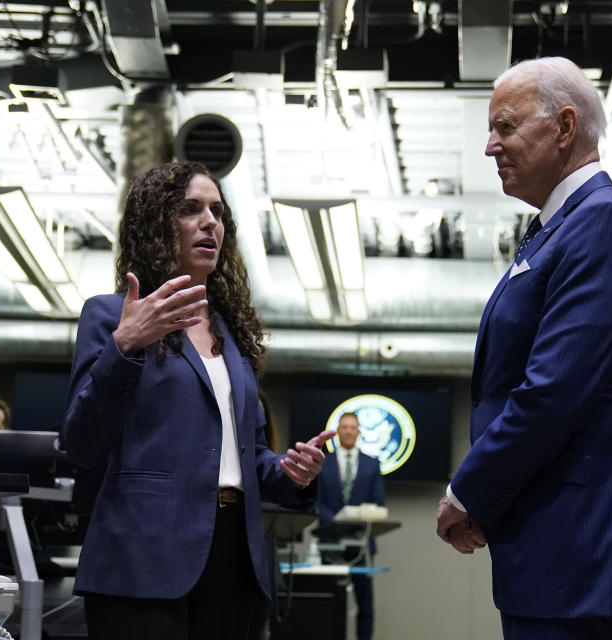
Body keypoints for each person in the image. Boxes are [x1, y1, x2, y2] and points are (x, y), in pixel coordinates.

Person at [435, 57, 612, 639]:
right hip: (548, 541)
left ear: (565, 127)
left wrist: (470, 491)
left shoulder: (602, 224)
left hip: (577, 544)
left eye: (505, 127)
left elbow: (552, 392)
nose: (490, 146)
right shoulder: (555, 229)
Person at [61, 161, 335, 640]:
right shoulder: (109, 316)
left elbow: (243, 454)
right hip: (142, 559)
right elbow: (81, 442)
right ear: (154, 226)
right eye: (191, 210)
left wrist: (292, 473)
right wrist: (126, 345)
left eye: (217, 211)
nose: (210, 222)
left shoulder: (231, 333)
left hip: (234, 558)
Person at [316, 411, 386, 640]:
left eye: (352, 427)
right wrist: (337, 521)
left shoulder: (372, 465)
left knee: (365, 605)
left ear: (358, 431)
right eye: (343, 427)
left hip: (361, 543)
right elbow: (318, 501)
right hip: (329, 541)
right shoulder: (323, 464)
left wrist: (354, 518)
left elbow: (377, 502)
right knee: (328, 600)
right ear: (337, 431)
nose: (348, 431)